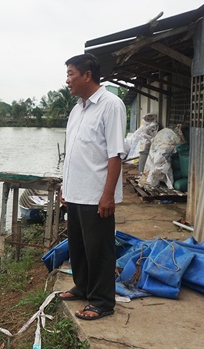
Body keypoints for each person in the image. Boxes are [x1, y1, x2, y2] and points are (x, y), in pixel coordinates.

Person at [57, 53, 126, 321]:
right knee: (78, 247)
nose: (67, 81)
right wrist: (66, 186)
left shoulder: (111, 105)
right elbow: (73, 152)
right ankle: (83, 286)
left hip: (97, 195)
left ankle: (102, 302)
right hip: (75, 192)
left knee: (99, 250)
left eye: (71, 74)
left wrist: (108, 195)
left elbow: (115, 154)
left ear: (87, 75)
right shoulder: (77, 109)